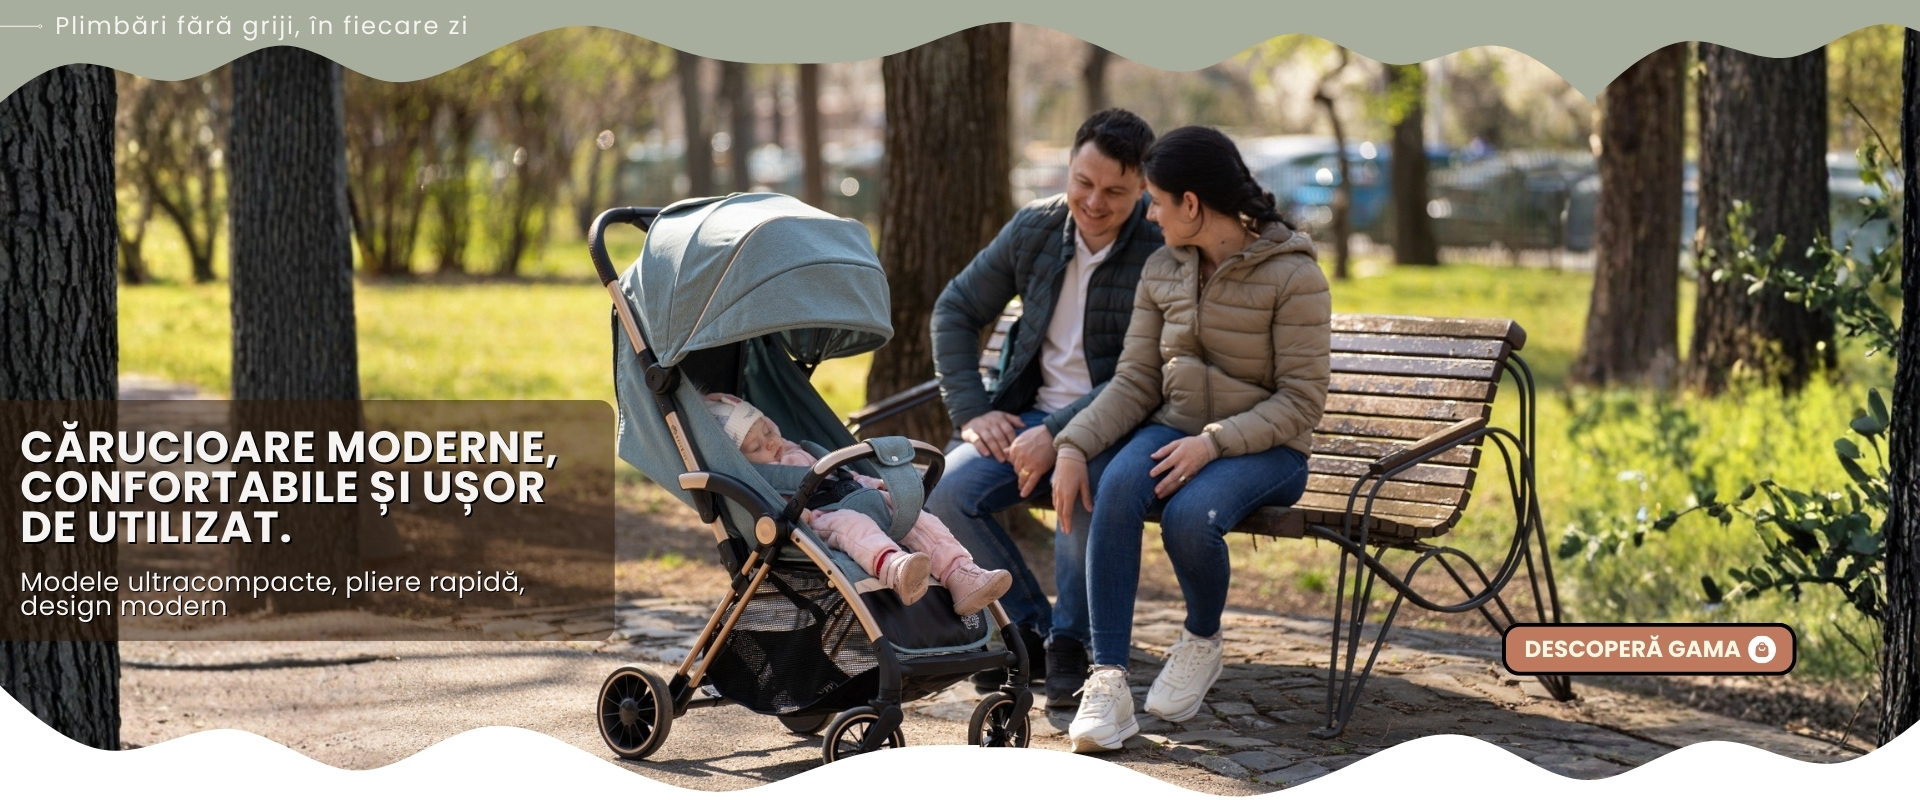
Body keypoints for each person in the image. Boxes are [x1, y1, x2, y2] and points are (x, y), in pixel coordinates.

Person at [1049, 126, 1331, 753]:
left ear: (1193, 204)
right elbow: (1136, 380)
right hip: (1174, 428)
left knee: (1188, 517)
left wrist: (1212, 443)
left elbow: (1301, 401)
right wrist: (1072, 444)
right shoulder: (1164, 267)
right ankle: (1109, 682)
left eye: (1156, 201)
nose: (1150, 214)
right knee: (1114, 487)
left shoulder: (1294, 275)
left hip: (1270, 450)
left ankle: (1202, 639)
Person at [923, 109, 1162, 706]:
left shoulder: (1163, 249)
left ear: (1143, 187)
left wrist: (1058, 434)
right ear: (1069, 166)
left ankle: (1072, 641)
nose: (1094, 203)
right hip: (1025, 415)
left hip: (1118, 424)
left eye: (1115, 192)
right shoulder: (1035, 226)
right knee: (946, 492)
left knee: (1079, 489)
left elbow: (1152, 375)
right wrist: (973, 411)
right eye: (1083, 182)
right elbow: (955, 310)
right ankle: (1027, 628)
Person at [703, 393, 1013, 616]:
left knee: (917, 518)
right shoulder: (761, 478)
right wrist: (800, 515)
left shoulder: (805, 450)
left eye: (768, 430)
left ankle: (962, 574)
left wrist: (873, 484)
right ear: (742, 460)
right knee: (854, 525)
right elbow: (772, 506)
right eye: (756, 446)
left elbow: (844, 474)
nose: (770, 442)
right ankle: (896, 569)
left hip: (855, 495)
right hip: (823, 518)